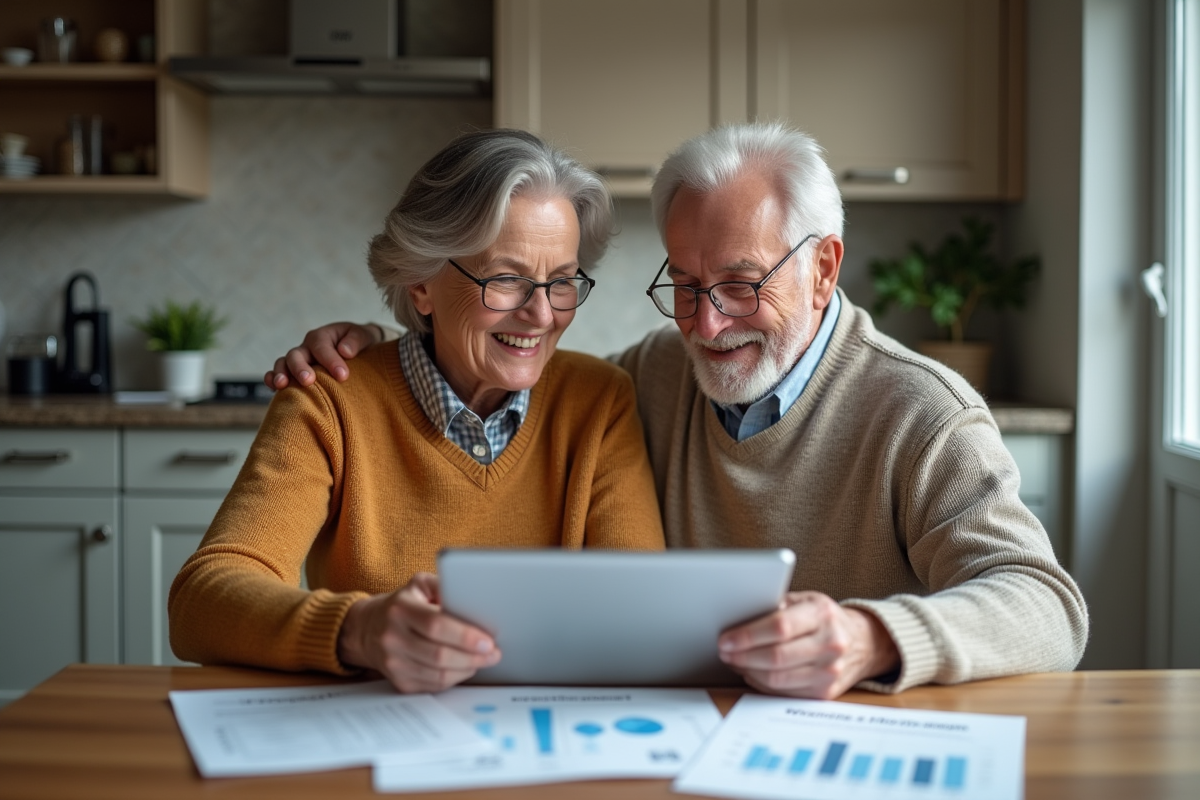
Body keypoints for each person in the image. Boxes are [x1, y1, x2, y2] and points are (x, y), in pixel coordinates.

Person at [266, 122, 1089, 700]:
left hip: (852, 739)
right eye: (686, 287)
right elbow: (514, 369)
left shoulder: (921, 412)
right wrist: (375, 349)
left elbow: (1045, 606)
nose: (706, 324)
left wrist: (874, 639)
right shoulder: (655, 375)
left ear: (824, 268)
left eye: (739, 284)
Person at [169, 129, 665, 694]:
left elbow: (640, 604)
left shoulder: (599, 401)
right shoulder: (330, 399)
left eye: (562, 282)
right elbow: (201, 603)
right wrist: (355, 631)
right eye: (506, 280)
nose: (541, 314)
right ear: (420, 283)